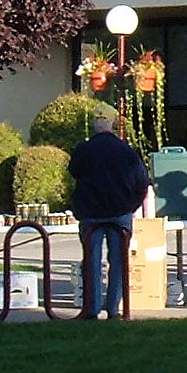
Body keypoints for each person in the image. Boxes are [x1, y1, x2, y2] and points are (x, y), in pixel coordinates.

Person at [68, 113, 153, 319]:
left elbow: (73, 171)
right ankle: (114, 308)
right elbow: (142, 182)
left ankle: (92, 308)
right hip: (120, 210)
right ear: (113, 128)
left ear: (95, 128)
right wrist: (130, 206)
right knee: (119, 262)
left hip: (91, 212)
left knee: (91, 261)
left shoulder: (84, 150)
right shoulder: (127, 151)